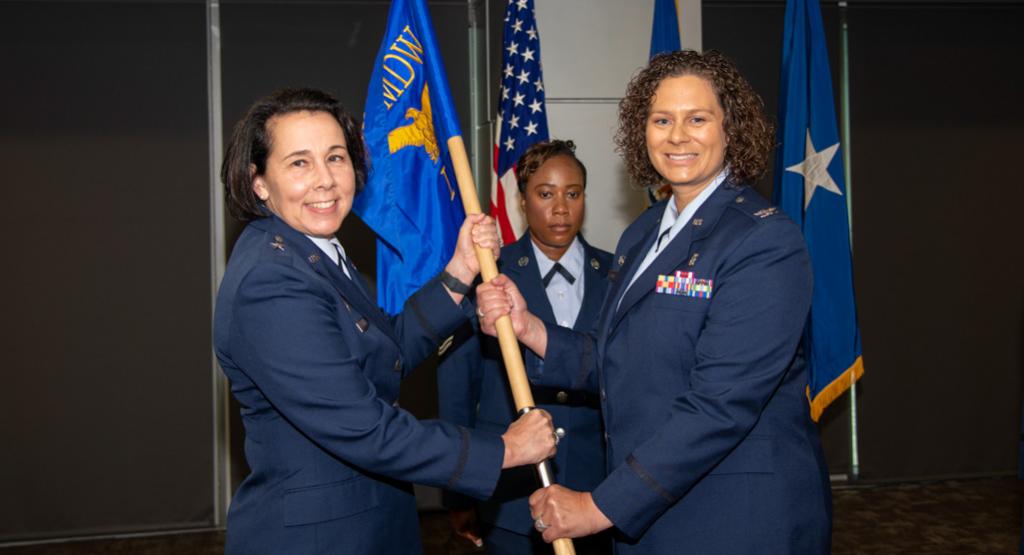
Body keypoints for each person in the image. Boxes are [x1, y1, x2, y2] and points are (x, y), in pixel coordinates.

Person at [475, 50, 832, 553]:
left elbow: (719, 406)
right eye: (662, 119)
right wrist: (530, 326)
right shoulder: (643, 233)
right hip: (654, 515)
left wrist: (599, 506)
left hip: (735, 520)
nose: (677, 135)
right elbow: (617, 359)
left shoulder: (764, 242)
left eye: (698, 119)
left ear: (731, 129)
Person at [213, 87, 557, 554]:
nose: (325, 180)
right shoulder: (272, 282)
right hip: (321, 539)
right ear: (259, 182)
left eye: (335, 158)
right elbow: (364, 428)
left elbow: (383, 352)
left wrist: (459, 273)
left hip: (366, 521)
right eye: (299, 163)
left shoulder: (312, 250)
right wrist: (505, 450)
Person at [437, 140, 612, 554]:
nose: (561, 209)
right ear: (521, 200)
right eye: (545, 194)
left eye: (573, 193)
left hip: (599, 493)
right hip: (512, 496)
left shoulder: (618, 275)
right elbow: (459, 389)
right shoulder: (488, 274)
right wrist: (460, 491)